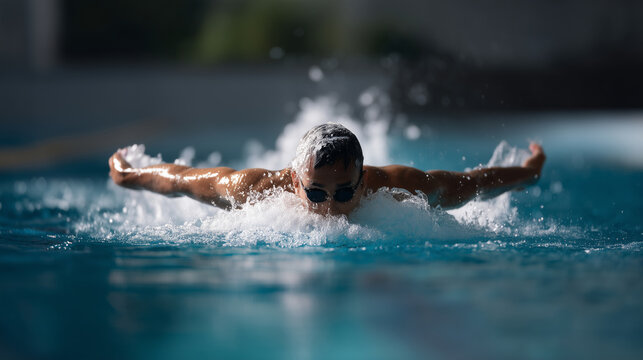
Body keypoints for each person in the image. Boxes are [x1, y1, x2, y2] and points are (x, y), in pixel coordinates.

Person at [109, 123, 545, 216]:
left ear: (363, 180)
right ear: (297, 181)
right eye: (317, 194)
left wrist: (527, 173)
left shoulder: (401, 188)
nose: (332, 209)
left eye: (344, 194)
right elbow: (180, 180)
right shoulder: (252, 189)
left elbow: (472, 184)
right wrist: (128, 175)